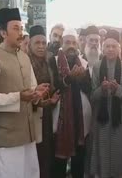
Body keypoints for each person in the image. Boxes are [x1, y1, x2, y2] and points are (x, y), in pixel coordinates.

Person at [0, 8, 49, 178]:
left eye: (21, 28)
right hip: (5, 139)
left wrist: (37, 94)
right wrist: (18, 97)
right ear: (3, 32)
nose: (20, 33)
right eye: (15, 28)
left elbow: (30, 89)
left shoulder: (24, 57)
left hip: (28, 136)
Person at [88, 29, 122, 178]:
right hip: (102, 120)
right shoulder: (97, 66)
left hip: (120, 119)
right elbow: (92, 96)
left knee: (119, 154)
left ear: (118, 47)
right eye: (107, 46)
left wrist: (118, 89)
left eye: (114, 46)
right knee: (103, 154)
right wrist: (102, 89)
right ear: (103, 47)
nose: (110, 49)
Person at [51, 28, 92, 178]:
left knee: (78, 163)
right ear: (62, 43)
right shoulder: (54, 61)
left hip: (80, 121)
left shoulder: (84, 63)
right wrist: (69, 79)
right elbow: (53, 86)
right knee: (59, 164)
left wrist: (81, 79)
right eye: (68, 42)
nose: (71, 46)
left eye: (74, 42)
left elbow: (89, 89)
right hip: (61, 120)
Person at [28, 25, 60, 178]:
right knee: (33, 155)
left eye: (43, 43)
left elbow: (55, 85)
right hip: (30, 116)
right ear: (30, 44)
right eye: (37, 43)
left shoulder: (50, 61)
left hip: (46, 114)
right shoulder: (24, 62)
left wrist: (51, 100)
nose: (41, 47)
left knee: (46, 154)